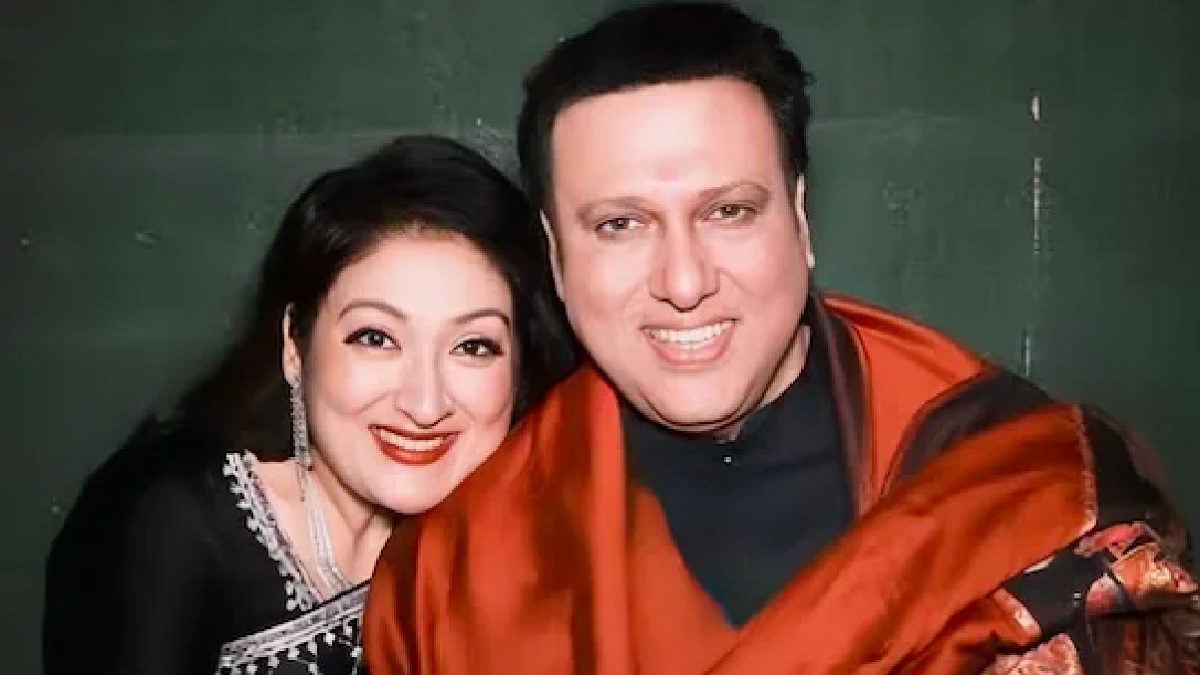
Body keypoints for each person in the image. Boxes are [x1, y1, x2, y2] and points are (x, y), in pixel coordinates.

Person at [362, 3, 1200, 673]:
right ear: (554, 255)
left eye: (728, 211)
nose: (683, 281)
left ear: (799, 219)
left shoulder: (1020, 473)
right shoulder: (450, 576)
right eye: (620, 224)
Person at [42, 135, 576, 675]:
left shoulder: (522, 536)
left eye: (473, 346)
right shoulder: (168, 518)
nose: (424, 403)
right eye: (375, 338)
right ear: (295, 345)